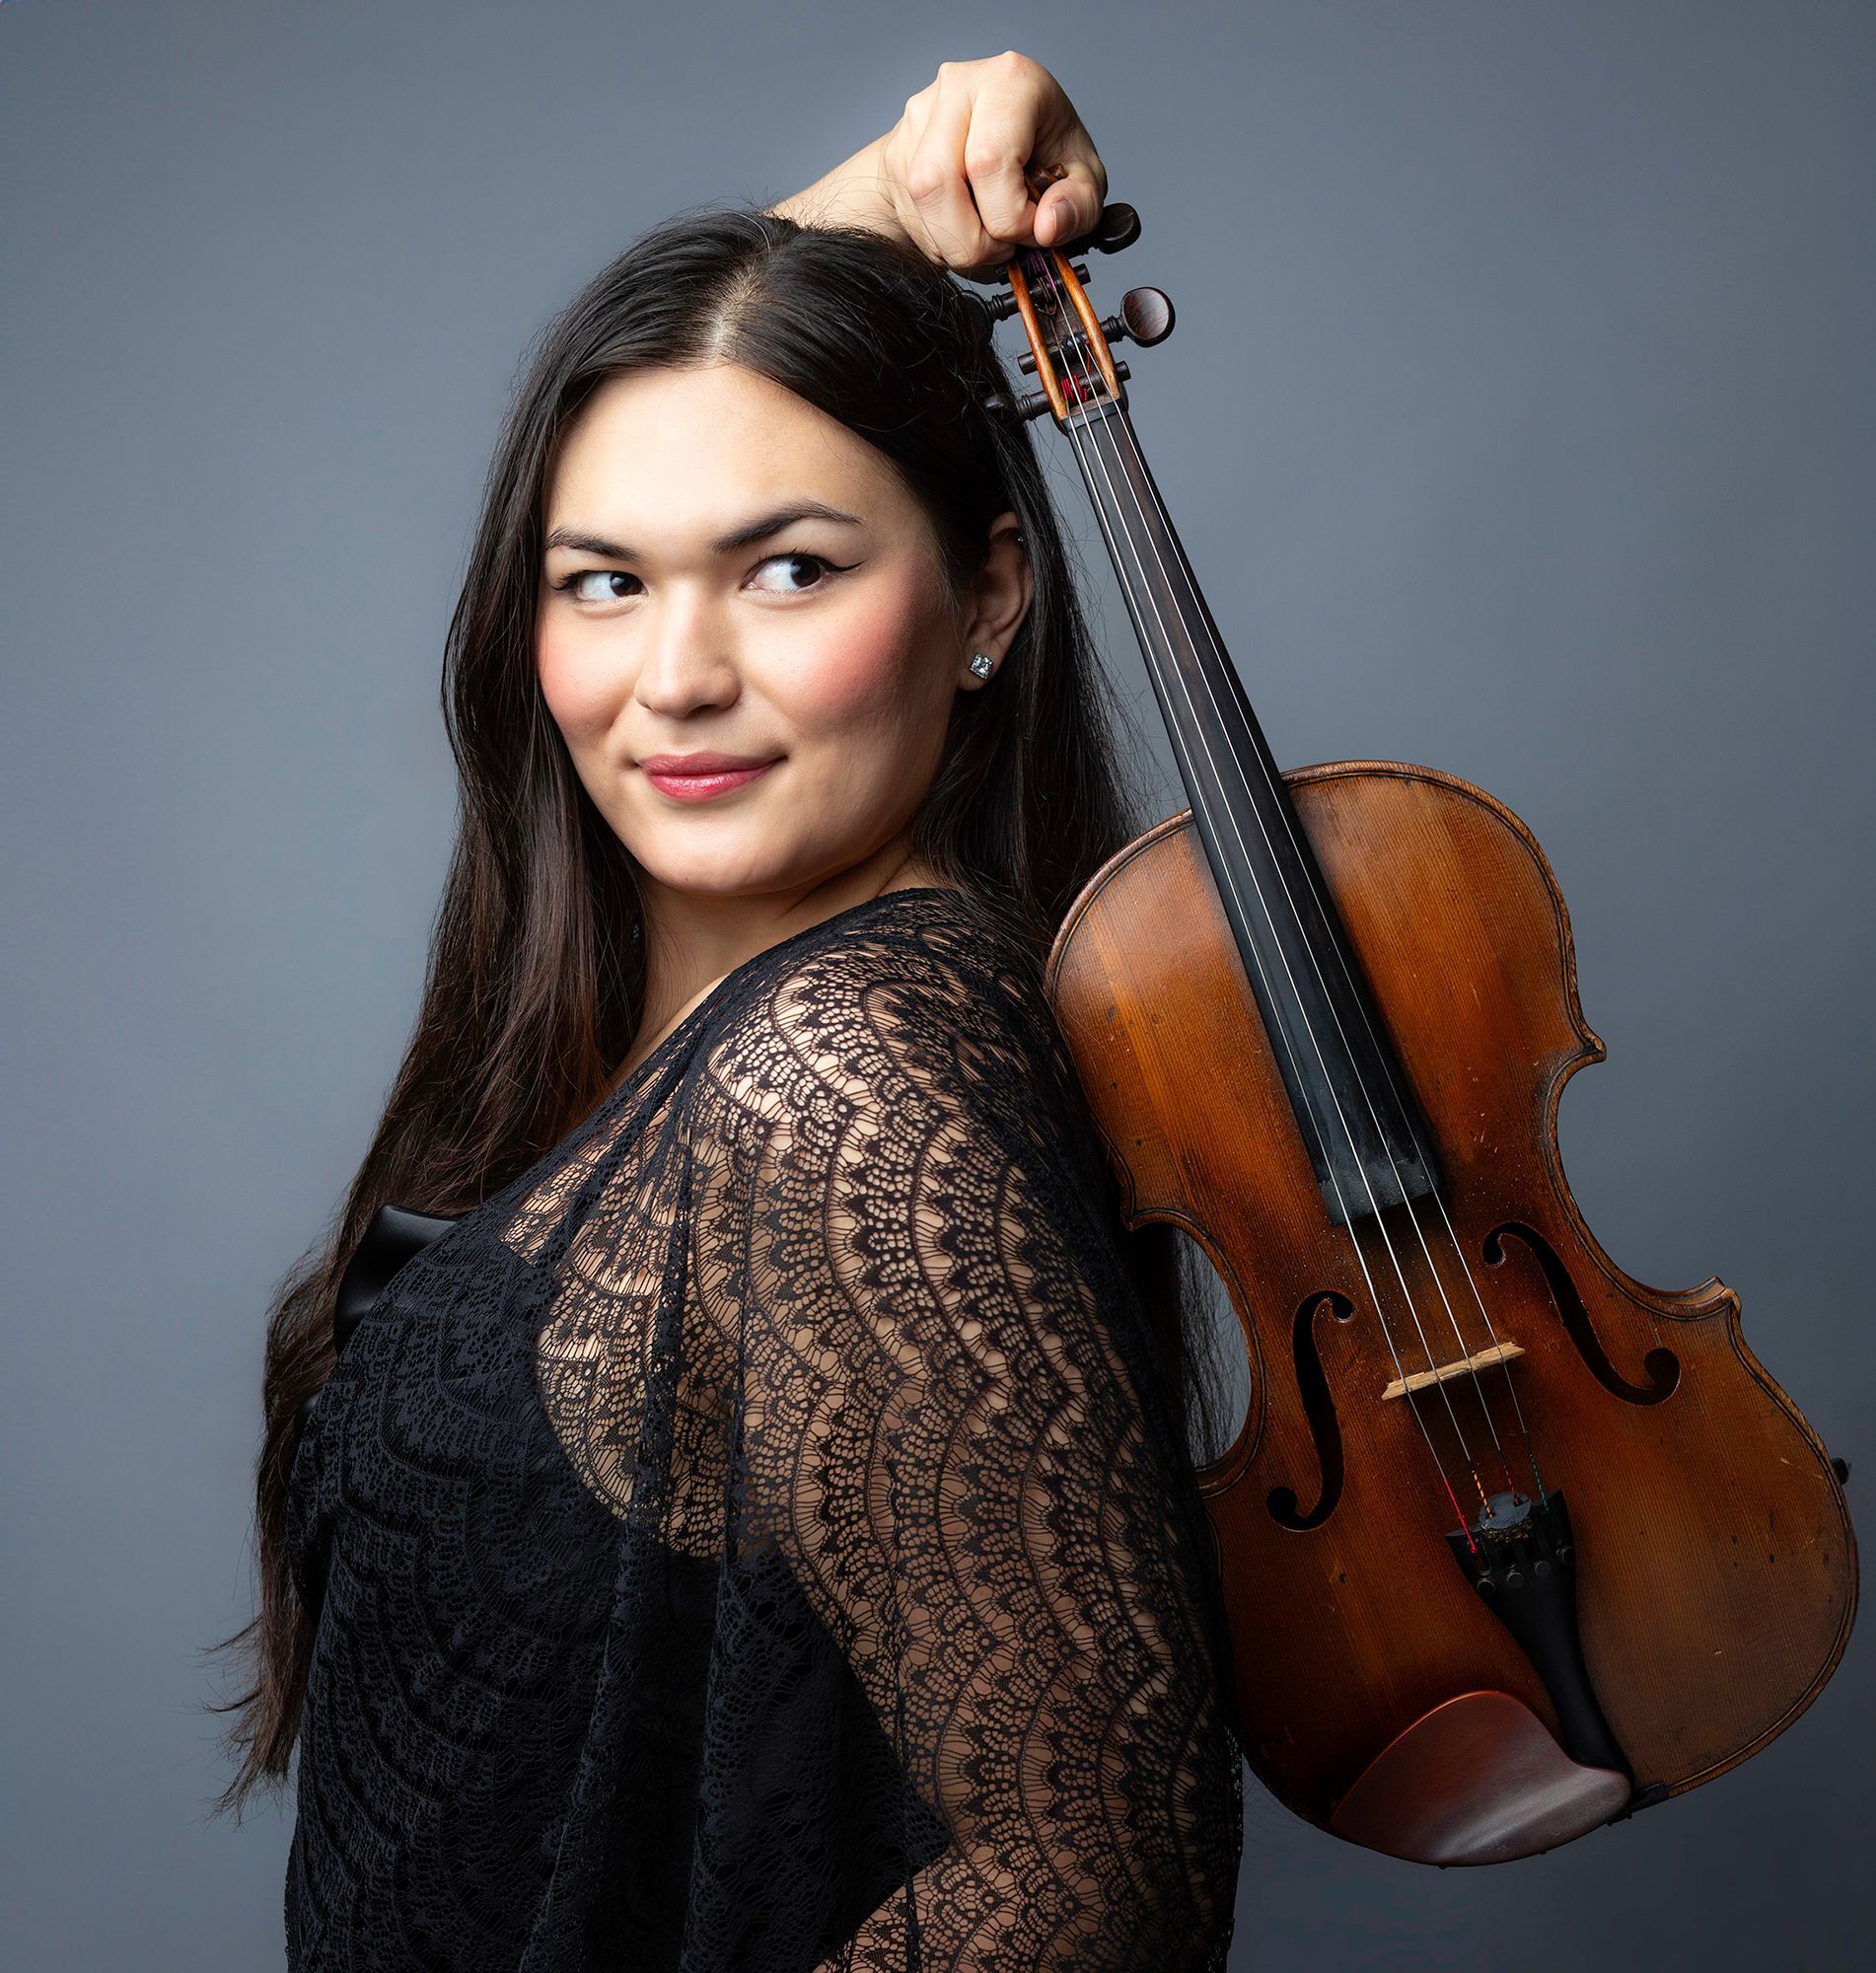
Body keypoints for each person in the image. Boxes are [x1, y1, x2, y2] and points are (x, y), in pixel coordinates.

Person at [208, 51, 1244, 1972]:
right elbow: (664, 454)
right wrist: (880, 206)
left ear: (988, 597)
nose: (672, 674)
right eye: (605, 583)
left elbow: (1087, 1882)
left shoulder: (842, 1075)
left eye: (788, 570)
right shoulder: (729, 1033)